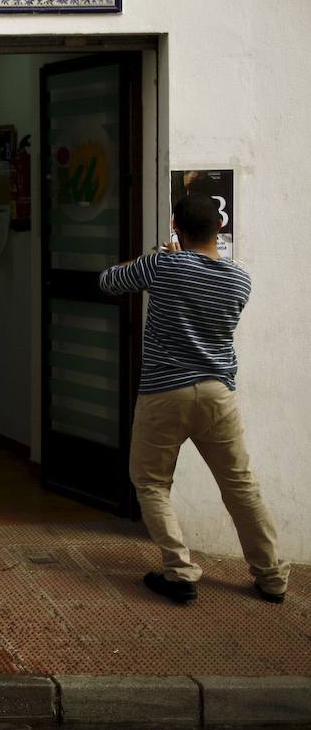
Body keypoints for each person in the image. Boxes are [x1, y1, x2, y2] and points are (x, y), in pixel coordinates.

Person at [99, 195, 289, 605]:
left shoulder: (164, 264)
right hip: (218, 394)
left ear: (176, 227)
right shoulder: (240, 279)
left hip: (164, 392)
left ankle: (180, 571)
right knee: (240, 486)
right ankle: (271, 577)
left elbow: (109, 281)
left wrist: (160, 257)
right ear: (218, 227)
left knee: (150, 482)